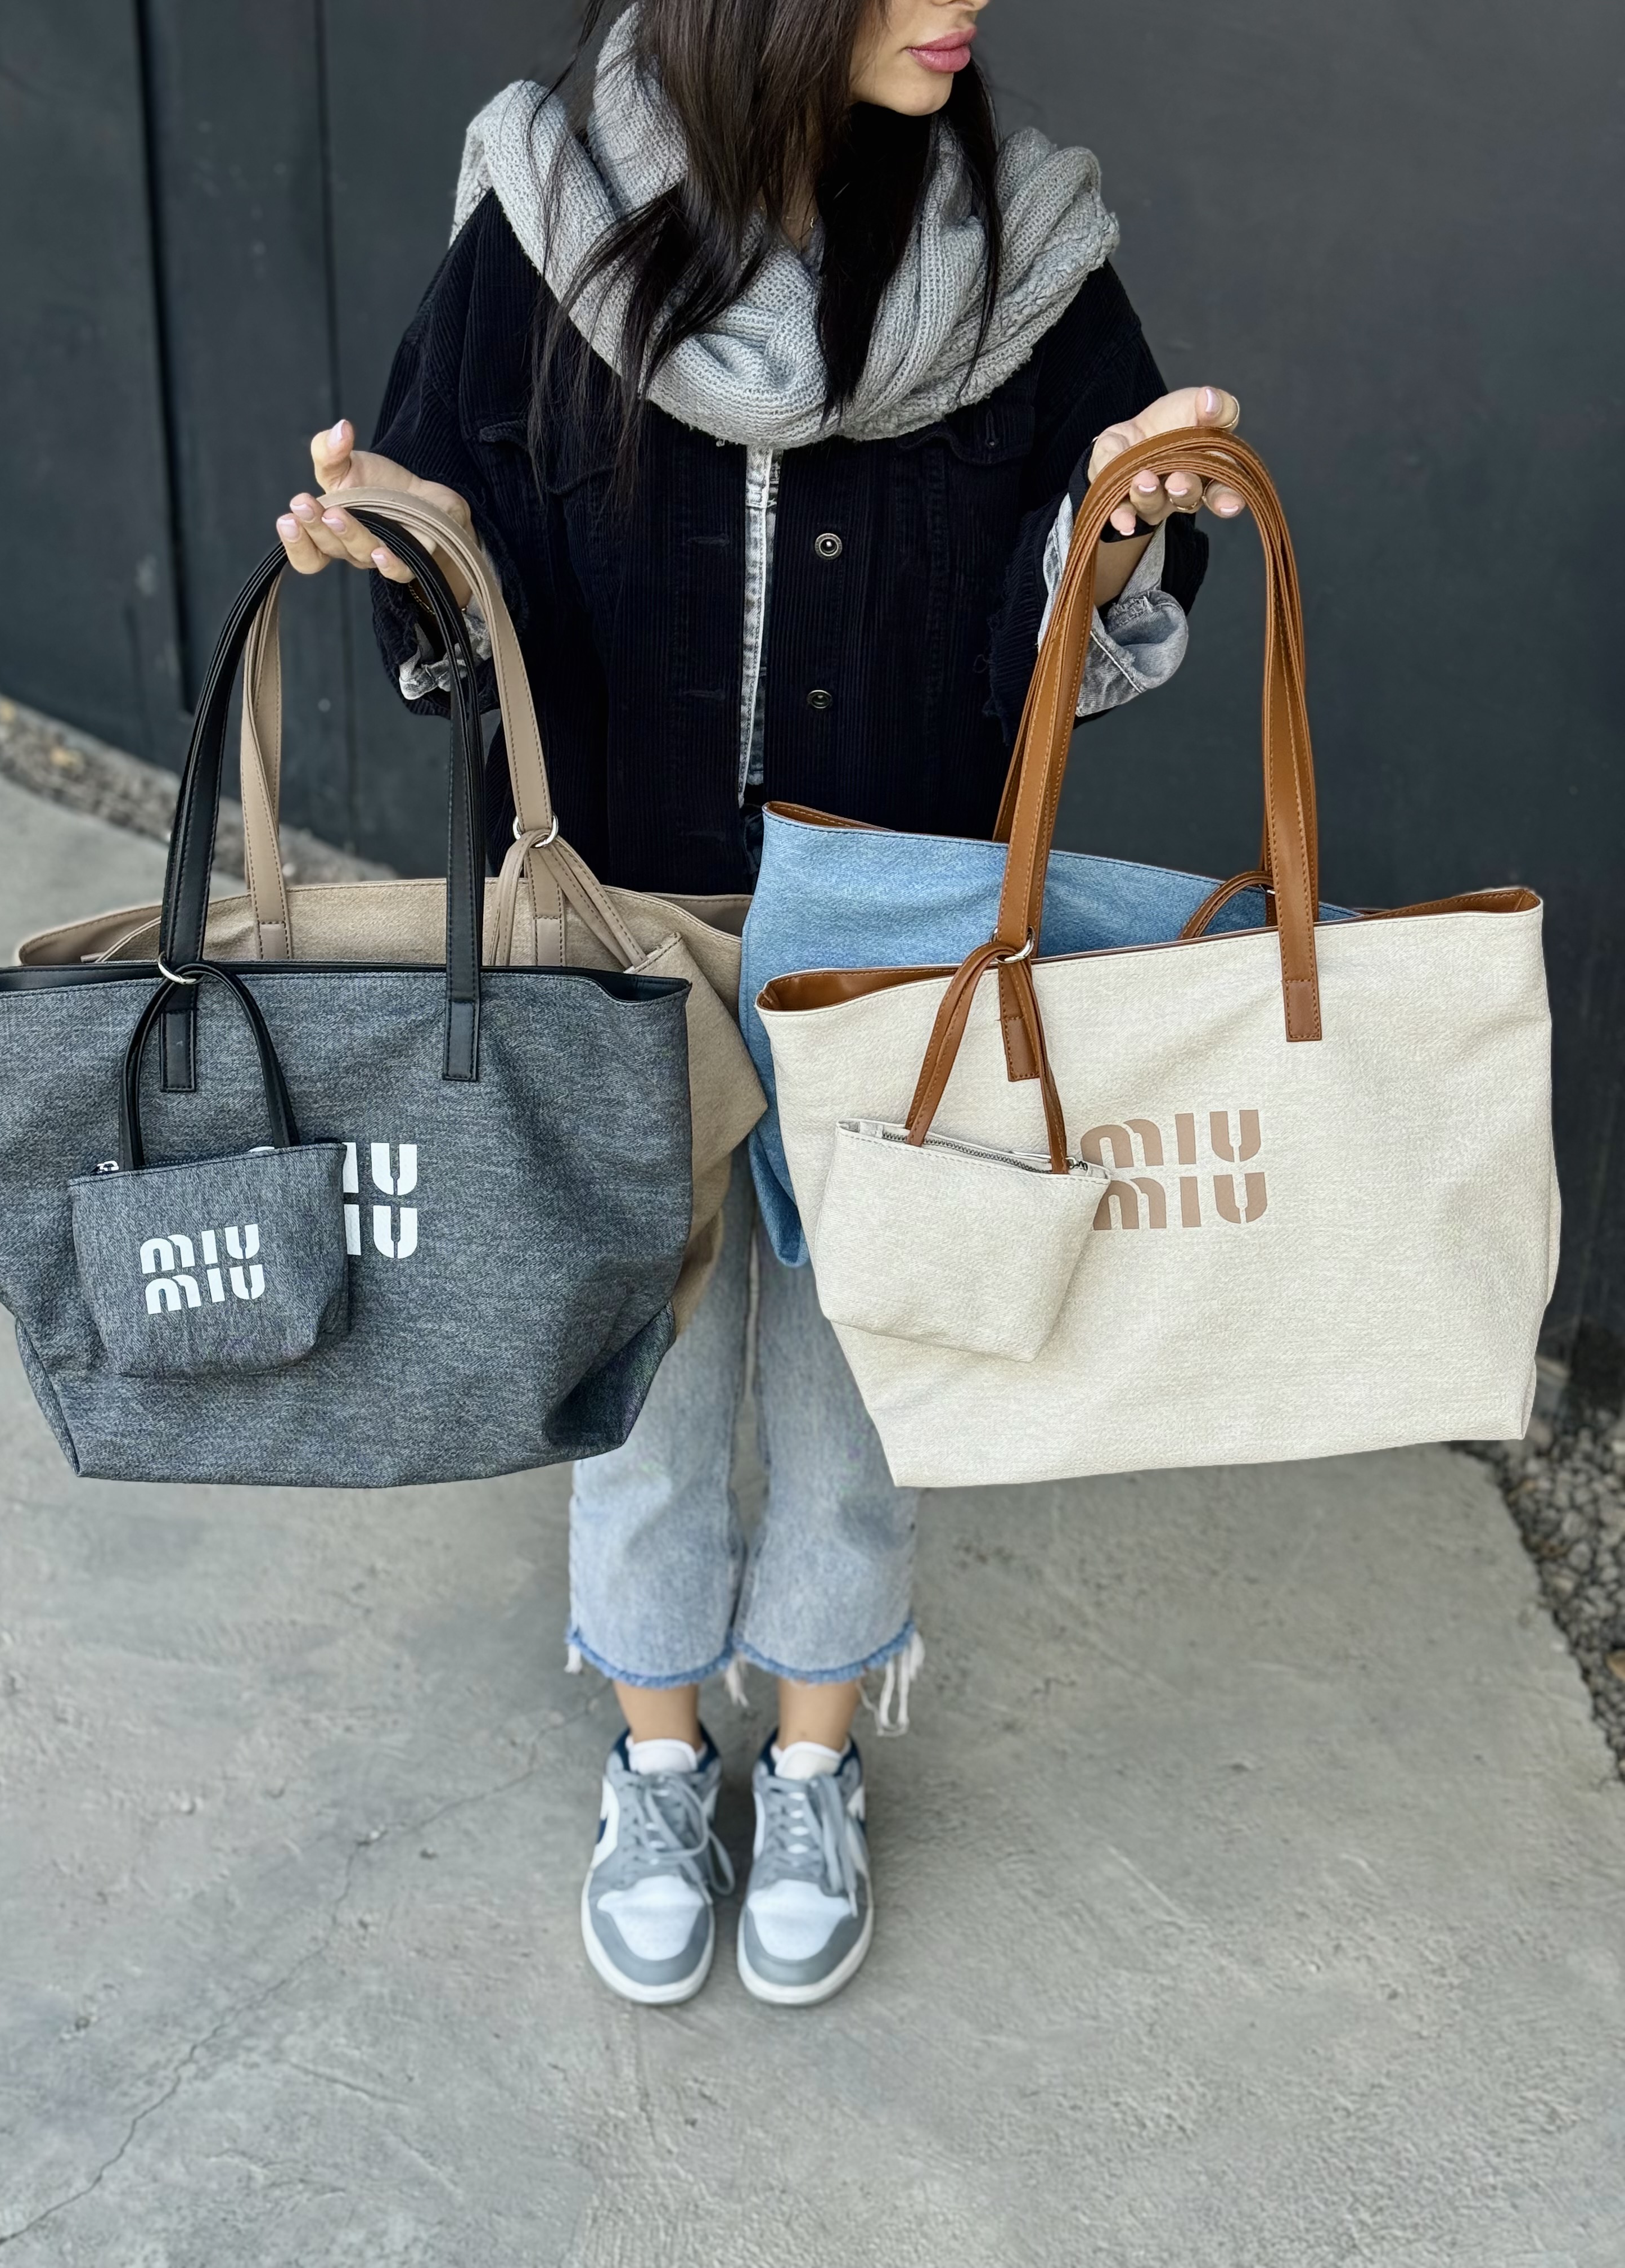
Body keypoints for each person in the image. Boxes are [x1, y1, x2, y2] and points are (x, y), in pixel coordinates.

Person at [275, 0, 1246, 2008]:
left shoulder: (1022, 248)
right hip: (621, 931)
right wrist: (388, 544)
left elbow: (1062, 625)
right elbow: (458, 588)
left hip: (900, 935)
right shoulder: (548, 217)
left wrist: (1120, 521)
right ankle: (657, 1759)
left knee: (861, 1375)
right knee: (639, 1376)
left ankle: (811, 1760)